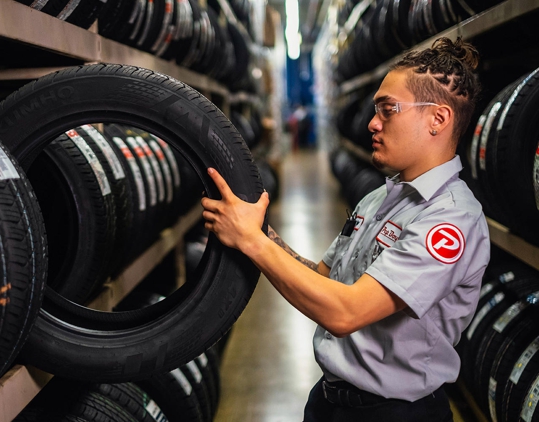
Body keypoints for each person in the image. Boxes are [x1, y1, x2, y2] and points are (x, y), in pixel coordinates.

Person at [201, 37, 490, 421]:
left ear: (438, 119)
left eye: (389, 110)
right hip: (330, 401)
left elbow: (345, 312)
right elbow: (322, 278)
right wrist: (264, 235)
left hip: (394, 414)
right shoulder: (379, 200)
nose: (372, 123)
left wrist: (253, 243)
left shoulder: (451, 221)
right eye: (375, 110)